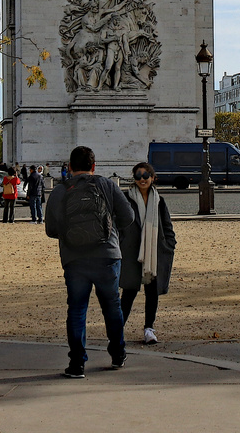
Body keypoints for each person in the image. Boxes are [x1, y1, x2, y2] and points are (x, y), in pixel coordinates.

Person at [47, 145, 136, 379]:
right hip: (107, 255)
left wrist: (73, 236)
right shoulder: (107, 184)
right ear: (94, 167)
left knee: (77, 310)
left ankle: (77, 364)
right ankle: (118, 355)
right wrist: (108, 228)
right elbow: (129, 217)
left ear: (69, 167)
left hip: (75, 259)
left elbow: (50, 229)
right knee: (112, 306)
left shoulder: (60, 190)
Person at [120, 162, 176, 345]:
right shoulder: (125, 198)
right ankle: (118, 329)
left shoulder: (159, 201)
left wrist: (169, 244)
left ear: (153, 178)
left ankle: (149, 328)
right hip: (131, 252)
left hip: (154, 252)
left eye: (145, 175)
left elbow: (167, 225)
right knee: (128, 292)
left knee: (152, 293)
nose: (142, 179)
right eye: (138, 176)